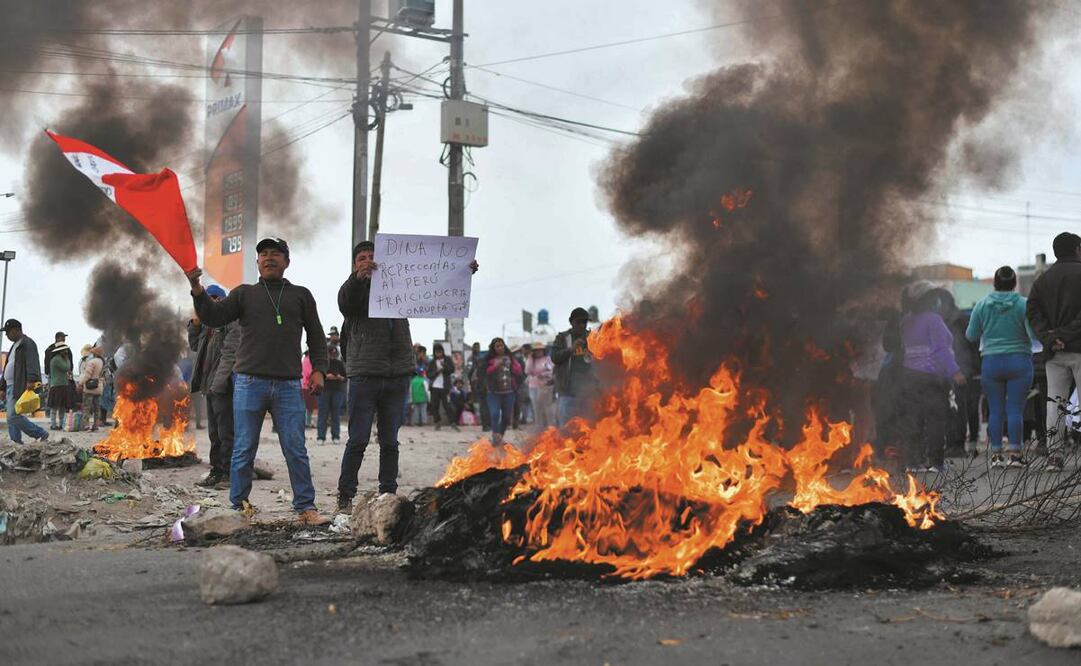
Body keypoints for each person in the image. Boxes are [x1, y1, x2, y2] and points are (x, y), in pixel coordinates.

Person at [186, 237, 330, 526]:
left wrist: (319, 370)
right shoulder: (244, 294)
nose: (269, 258)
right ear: (257, 262)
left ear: (287, 262)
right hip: (249, 382)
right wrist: (197, 289)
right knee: (243, 447)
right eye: (263, 254)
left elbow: (316, 335)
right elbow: (213, 316)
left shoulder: (301, 295)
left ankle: (306, 508)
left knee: (295, 448)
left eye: (276, 254)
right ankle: (239, 507)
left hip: (289, 384)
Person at [336, 240, 479, 510]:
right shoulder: (353, 292)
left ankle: (388, 495)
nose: (367, 261)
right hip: (365, 375)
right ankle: (345, 498)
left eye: (371, 257)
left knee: (390, 441)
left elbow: (434, 286)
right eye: (361, 258)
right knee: (358, 440)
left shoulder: (402, 285)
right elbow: (345, 302)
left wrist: (461, 271)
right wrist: (358, 279)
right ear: (354, 265)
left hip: (397, 375)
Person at [966, 267, 1035, 468]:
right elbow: (1032, 333)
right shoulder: (1023, 304)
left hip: (991, 362)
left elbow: (971, 335)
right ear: (1014, 284)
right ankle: (1015, 454)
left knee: (995, 410)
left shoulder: (981, 305)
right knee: (1015, 409)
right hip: (1019, 360)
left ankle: (996, 455)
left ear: (994, 283)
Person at [1026, 232, 1081, 472]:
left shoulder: (1042, 280)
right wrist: (1065, 335)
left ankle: (1054, 457)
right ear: (1077, 249)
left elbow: (1032, 311)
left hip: (1053, 354)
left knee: (1054, 404)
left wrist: (1049, 338)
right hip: (1078, 348)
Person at [898, 282, 965, 473]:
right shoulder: (933, 320)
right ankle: (936, 462)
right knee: (936, 419)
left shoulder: (906, 321)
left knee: (915, 419)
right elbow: (941, 350)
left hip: (910, 376)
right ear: (929, 300)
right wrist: (955, 371)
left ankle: (913, 462)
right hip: (932, 377)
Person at [188, 284, 241, 489]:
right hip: (208, 386)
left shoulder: (231, 322)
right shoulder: (208, 326)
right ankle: (216, 471)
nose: (211, 302)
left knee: (226, 432)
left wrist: (218, 384)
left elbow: (230, 355)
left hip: (223, 386)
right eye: (208, 298)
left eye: (215, 298)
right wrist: (195, 324)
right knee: (214, 433)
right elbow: (194, 346)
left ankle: (228, 474)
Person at [0, 319, 48, 443]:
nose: (6, 335)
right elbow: (8, 366)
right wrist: (2, 387)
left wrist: (32, 379)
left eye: (8, 332)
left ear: (17, 330)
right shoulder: (14, 346)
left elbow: (32, 362)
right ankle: (16, 441)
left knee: (13, 415)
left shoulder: (27, 343)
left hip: (19, 384)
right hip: (10, 385)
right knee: (11, 418)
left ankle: (40, 433)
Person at [551, 307, 599, 427]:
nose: (582, 325)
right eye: (579, 322)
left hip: (589, 391)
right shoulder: (562, 338)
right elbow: (555, 358)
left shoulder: (593, 337)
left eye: (585, 322)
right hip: (568, 391)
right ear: (571, 321)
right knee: (566, 428)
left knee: (589, 428)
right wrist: (571, 349)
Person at [484, 337, 522, 445]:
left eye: (501, 345)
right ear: (493, 348)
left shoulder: (510, 358)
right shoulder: (488, 360)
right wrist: (496, 365)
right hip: (493, 393)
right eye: (497, 346)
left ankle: (499, 436)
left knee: (506, 417)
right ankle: (495, 437)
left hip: (509, 393)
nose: (500, 348)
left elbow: (518, 371)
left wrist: (510, 365)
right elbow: (485, 372)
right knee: (495, 414)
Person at [317, 345, 347, 443]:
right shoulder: (323, 364)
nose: (332, 355)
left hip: (337, 390)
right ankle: (321, 437)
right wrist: (326, 376)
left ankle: (336, 436)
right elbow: (319, 376)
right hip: (324, 391)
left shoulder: (339, 363)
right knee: (323, 414)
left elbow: (345, 377)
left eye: (334, 353)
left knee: (336, 414)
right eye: (331, 353)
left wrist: (338, 377)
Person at [525, 341, 555, 431]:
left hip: (545, 386)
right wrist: (530, 358)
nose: (538, 352)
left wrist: (544, 374)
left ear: (543, 350)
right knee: (536, 407)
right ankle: (539, 427)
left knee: (547, 407)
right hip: (533, 386)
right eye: (536, 350)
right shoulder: (531, 360)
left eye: (540, 350)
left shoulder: (547, 359)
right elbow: (527, 371)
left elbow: (552, 370)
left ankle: (550, 427)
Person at [45, 335, 73, 431]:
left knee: (61, 407)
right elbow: (67, 368)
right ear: (60, 351)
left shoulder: (60, 359)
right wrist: (68, 359)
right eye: (65, 350)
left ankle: (61, 424)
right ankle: (53, 424)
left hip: (62, 385)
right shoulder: (56, 360)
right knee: (55, 407)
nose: (66, 352)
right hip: (57, 385)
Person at [427, 343, 457, 431]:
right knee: (434, 406)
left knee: (447, 405)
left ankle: (452, 423)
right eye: (437, 352)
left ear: (442, 351)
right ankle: (437, 422)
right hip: (434, 387)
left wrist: (444, 367)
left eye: (440, 351)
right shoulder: (432, 362)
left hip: (445, 387)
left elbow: (452, 369)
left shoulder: (447, 359)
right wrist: (437, 371)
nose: (438, 354)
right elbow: (429, 374)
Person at [77, 346, 105, 431]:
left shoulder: (92, 362)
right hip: (99, 387)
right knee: (97, 408)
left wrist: (80, 383)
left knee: (86, 407)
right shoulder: (102, 362)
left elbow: (87, 375)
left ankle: (86, 425)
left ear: (94, 354)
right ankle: (95, 425)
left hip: (89, 388)